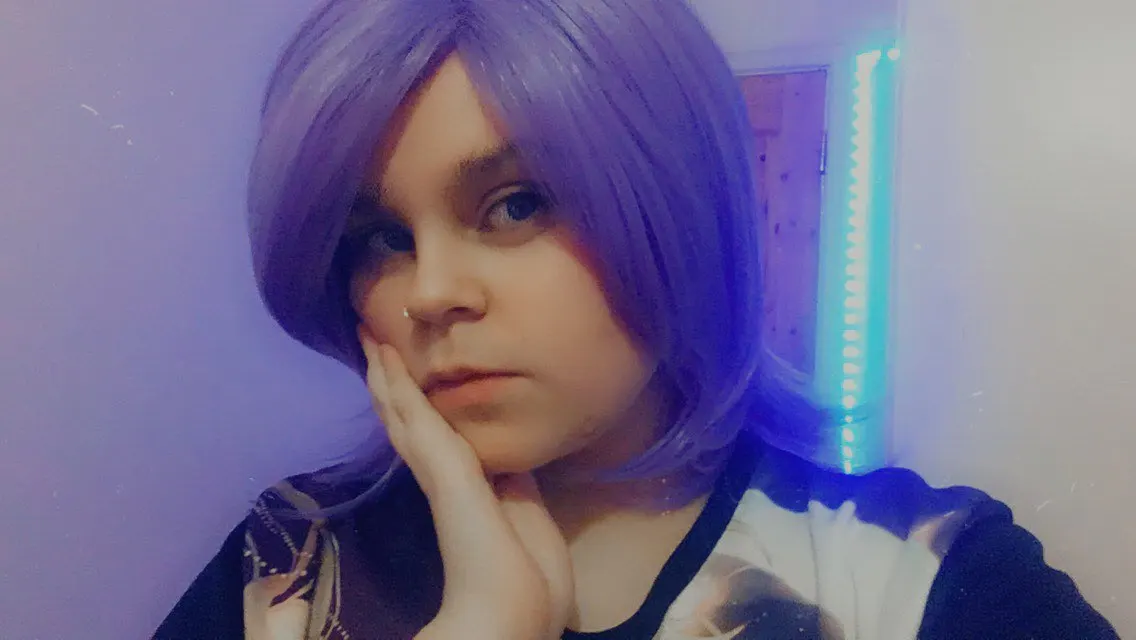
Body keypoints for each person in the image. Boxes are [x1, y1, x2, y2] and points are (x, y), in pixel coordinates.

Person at [154, 0, 1119, 638]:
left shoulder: (924, 582)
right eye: (380, 237)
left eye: (518, 204)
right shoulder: (287, 567)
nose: (430, 291)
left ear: (678, 206)